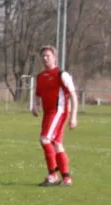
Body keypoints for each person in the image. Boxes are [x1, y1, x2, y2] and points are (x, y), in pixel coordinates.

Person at [32, 45, 78, 186]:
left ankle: (52, 175)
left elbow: (73, 95)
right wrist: (34, 105)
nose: (45, 58)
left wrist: (74, 116)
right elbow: (37, 93)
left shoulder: (61, 74)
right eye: (43, 56)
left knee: (45, 139)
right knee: (57, 144)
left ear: (54, 57)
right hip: (47, 113)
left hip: (59, 111)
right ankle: (66, 178)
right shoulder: (40, 76)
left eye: (48, 56)